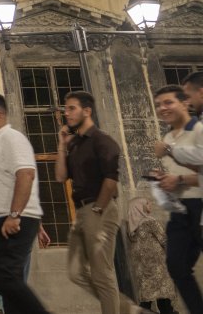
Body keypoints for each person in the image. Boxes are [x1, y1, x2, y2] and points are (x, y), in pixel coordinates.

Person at [56, 90, 139, 314]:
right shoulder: (74, 145)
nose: (67, 113)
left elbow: (111, 180)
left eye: (72, 108)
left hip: (99, 208)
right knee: (75, 272)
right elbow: (60, 176)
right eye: (66, 109)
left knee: (102, 273)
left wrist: (98, 210)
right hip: (82, 210)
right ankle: (128, 309)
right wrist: (62, 146)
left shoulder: (103, 141)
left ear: (87, 111)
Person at [0, 92, 50, 314]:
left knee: (6, 278)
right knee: (4, 283)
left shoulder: (11, 138)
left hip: (12, 220)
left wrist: (14, 215)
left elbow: (26, 174)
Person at [151, 84, 203, 313]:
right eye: (159, 104)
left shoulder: (199, 129)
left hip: (200, 203)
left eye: (168, 102)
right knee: (177, 265)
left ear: (185, 103)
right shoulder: (168, 136)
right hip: (180, 208)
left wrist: (178, 178)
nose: (163, 108)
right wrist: (163, 180)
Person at [126, 195, 178, 314]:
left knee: (149, 296)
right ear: (140, 207)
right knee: (162, 294)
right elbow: (165, 240)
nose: (151, 205)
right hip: (157, 266)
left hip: (143, 268)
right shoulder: (150, 221)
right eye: (148, 203)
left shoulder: (131, 228)